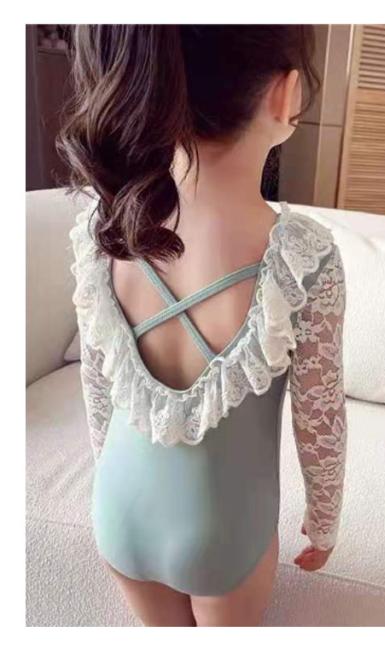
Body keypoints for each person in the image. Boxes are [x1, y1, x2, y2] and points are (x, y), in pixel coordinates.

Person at [58, 24, 348, 627]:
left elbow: (98, 387)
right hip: (224, 533)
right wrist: (323, 524)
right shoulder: (303, 257)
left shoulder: (103, 230)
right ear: (287, 94)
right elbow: (319, 416)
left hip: (117, 509)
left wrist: (111, 475)